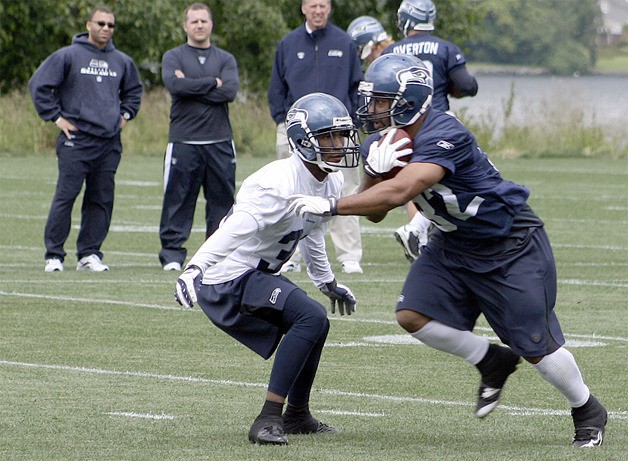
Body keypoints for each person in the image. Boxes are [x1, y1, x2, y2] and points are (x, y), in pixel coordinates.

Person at [289, 54, 608, 448]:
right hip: (452, 243)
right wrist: (372, 169)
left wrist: (333, 205)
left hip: (508, 243)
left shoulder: (445, 131)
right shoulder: (384, 140)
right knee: (411, 314)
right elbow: (374, 211)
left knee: (537, 348)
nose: (372, 109)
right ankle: (491, 360)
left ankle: (587, 410)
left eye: (383, 100)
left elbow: (403, 191)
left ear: (409, 99)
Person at [173, 93, 358, 445]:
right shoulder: (275, 184)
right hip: (227, 276)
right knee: (311, 318)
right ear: (303, 142)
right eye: (329, 137)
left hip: (257, 273)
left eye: (341, 136)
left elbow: (312, 232)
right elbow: (230, 232)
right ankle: (267, 419)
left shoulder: (329, 180)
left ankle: (297, 415)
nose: (339, 145)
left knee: (315, 323)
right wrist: (194, 269)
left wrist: (327, 282)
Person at [29, 6, 142, 273]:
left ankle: (89, 254)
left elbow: (134, 92)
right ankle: (54, 255)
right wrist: (55, 117)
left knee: (101, 199)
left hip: (109, 142)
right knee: (65, 197)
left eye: (111, 25)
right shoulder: (68, 55)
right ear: (88, 24)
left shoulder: (122, 61)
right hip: (76, 140)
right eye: (100, 23)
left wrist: (125, 115)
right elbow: (39, 85)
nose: (106, 28)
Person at [268, 0, 364, 274]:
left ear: (329, 8)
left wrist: (352, 123)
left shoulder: (344, 42)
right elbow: (277, 87)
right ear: (303, 8)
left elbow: (356, 87)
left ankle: (349, 255)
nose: (318, 10)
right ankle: (290, 255)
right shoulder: (288, 44)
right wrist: (282, 120)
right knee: (292, 191)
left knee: (346, 190)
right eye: (313, 5)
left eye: (323, 5)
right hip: (296, 132)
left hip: (338, 133)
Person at [382, 0, 479, 262]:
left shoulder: (393, 51)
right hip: (436, 123)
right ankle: (418, 232)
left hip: (401, 126)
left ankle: (421, 236)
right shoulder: (445, 48)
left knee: (415, 185)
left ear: (407, 19)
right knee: (456, 179)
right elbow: (466, 85)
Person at [159, 3, 240, 272]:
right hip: (184, 141)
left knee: (222, 202)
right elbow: (175, 86)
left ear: (211, 24)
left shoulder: (226, 58)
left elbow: (228, 92)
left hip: (219, 141)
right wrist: (211, 82)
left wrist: (192, 85)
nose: (199, 25)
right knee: (178, 200)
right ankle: (172, 255)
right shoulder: (173, 56)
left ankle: (216, 256)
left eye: (203, 21)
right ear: (185, 26)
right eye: (194, 21)